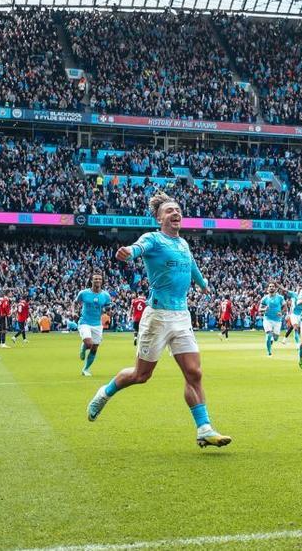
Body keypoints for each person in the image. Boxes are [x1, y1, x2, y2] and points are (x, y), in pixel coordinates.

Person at [86, 192, 231, 448]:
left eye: (178, 209)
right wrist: (128, 252)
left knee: (194, 373)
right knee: (142, 375)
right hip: (157, 318)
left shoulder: (183, 244)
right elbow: (138, 248)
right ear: (159, 217)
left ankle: (204, 428)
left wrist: (202, 283)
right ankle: (104, 393)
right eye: (169, 211)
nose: (176, 213)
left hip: (182, 316)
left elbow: (192, 266)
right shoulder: (153, 238)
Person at [75, 274, 112, 376]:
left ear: (102, 281)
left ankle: (85, 369)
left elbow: (108, 307)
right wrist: (74, 312)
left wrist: (109, 312)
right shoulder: (83, 293)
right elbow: (75, 303)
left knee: (94, 348)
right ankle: (84, 347)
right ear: (91, 280)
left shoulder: (105, 295)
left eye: (100, 278)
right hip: (85, 322)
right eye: (95, 279)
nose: (98, 280)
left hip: (97, 324)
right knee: (89, 344)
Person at [259, 283, 287, 357]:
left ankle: (272, 339)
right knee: (268, 335)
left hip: (277, 320)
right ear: (268, 289)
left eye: (273, 286)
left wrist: (281, 312)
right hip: (267, 319)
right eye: (270, 286)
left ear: (275, 288)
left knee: (276, 338)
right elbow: (259, 309)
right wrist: (264, 309)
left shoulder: (280, 297)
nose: (271, 287)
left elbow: (285, 307)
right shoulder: (265, 298)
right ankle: (269, 352)